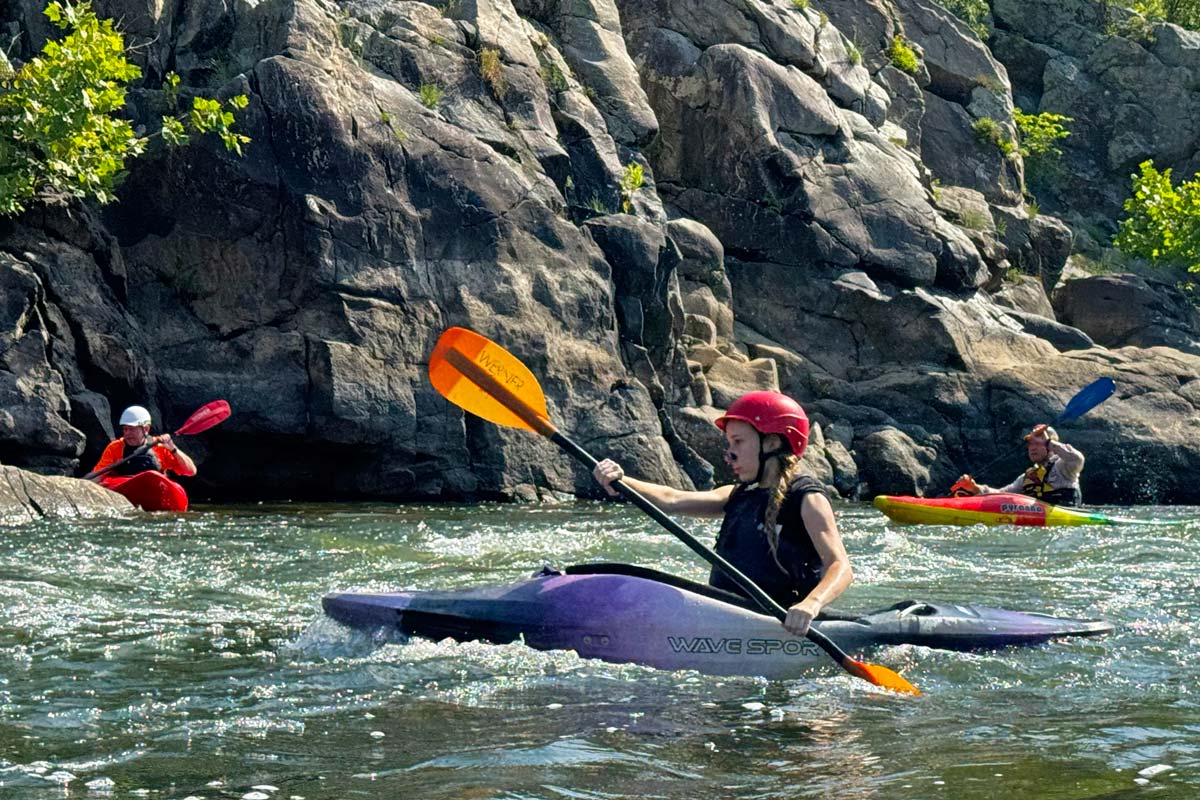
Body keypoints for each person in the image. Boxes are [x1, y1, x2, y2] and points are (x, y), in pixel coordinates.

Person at [592, 391, 852, 637]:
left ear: (772, 442)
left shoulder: (806, 497)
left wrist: (811, 604)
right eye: (729, 443)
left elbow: (840, 566)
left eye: (738, 442)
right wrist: (621, 480)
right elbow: (671, 499)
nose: (729, 455)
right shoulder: (736, 494)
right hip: (728, 615)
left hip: (782, 623)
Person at [952, 423, 1085, 506]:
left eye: (1038, 443)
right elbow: (1002, 494)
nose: (1032, 448)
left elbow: (1077, 459)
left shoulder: (1063, 466)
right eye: (1030, 444)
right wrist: (975, 488)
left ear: (1050, 445)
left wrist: (1048, 441)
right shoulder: (1029, 476)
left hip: (1066, 517)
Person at [89, 405, 197, 478]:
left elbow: (190, 471)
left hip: (154, 489)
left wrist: (173, 449)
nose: (127, 433)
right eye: (125, 429)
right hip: (125, 490)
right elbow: (98, 476)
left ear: (146, 429)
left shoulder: (160, 447)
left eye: (131, 429)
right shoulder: (115, 447)